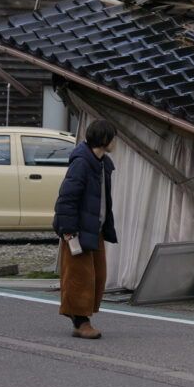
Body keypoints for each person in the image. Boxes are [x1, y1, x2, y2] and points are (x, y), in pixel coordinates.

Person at [53, 119, 118, 339]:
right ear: (104, 139)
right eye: (113, 138)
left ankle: (82, 319)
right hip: (78, 230)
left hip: (94, 228)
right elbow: (66, 198)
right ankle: (81, 323)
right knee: (79, 277)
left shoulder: (101, 163)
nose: (115, 142)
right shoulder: (82, 163)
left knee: (97, 276)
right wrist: (68, 230)